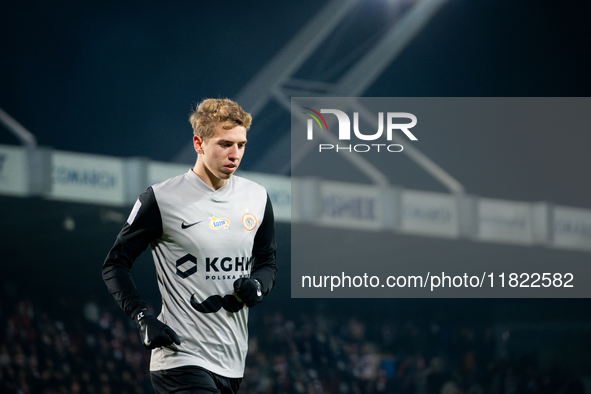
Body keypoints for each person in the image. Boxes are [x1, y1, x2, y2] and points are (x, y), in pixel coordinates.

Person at [102, 98, 278, 394]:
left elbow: (268, 263)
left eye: (241, 145)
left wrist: (258, 285)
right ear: (199, 143)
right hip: (179, 358)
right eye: (225, 144)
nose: (235, 154)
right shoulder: (160, 198)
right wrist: (142, 316)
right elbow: (115, 264)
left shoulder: (257, 197)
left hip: (232, 362)